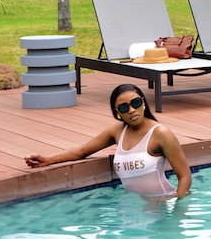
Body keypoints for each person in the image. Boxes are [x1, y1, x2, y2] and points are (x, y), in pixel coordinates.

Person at [24, 83, 192, 198]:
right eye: (124, 107)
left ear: (143, 104)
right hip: (130, 207)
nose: (131, 110)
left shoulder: (160, 133)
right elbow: (82, 151)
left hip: (161, 204)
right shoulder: (117, 131)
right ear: (117, 112)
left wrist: (176, 211)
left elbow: (184, 176)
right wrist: (47, 160)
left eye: (135, 103)